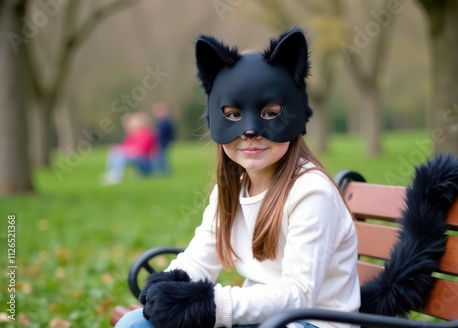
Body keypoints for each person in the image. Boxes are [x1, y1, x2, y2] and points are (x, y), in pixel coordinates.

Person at [116, 27, 360, 327]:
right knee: (134, 323)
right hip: (258, 318)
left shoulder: (311, 192)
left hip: (309, 321)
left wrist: (210, 306)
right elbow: (201, 257)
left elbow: (299, 294)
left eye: (270, 113)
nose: (250, 132)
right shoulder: (232, 188)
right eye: (233, 114)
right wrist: (168, 284)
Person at [101, 112, 159, 185]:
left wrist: (122, 149)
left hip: (145, 162)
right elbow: (126, 147)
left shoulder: (146, 134)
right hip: (137, 159)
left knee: (119, 152)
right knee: (116, 151)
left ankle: (115, 175)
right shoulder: (132, 135)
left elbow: (141, 150)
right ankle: (112, 173)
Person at [151, 102, 175, 175]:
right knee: (159, 157)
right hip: (161, 142)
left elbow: (161, 132)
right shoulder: (161, 121)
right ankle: (162, 170)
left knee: (163, 157)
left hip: (164, 142)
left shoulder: (166, 121)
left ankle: (165, 171)